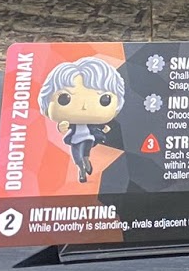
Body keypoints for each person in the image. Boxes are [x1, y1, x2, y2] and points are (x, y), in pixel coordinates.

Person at [38, 56, 126, 184]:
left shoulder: (93, 125)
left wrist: (104, 128)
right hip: (74, 140)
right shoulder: (69, 123)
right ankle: (82, 170)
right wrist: (62, 128)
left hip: (88, 138)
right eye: (64, 98)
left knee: (84, 154)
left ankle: (85, 164)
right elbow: (64, 127)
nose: (84, 107)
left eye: (104, 99)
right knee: (77, 159)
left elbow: (98, 126)